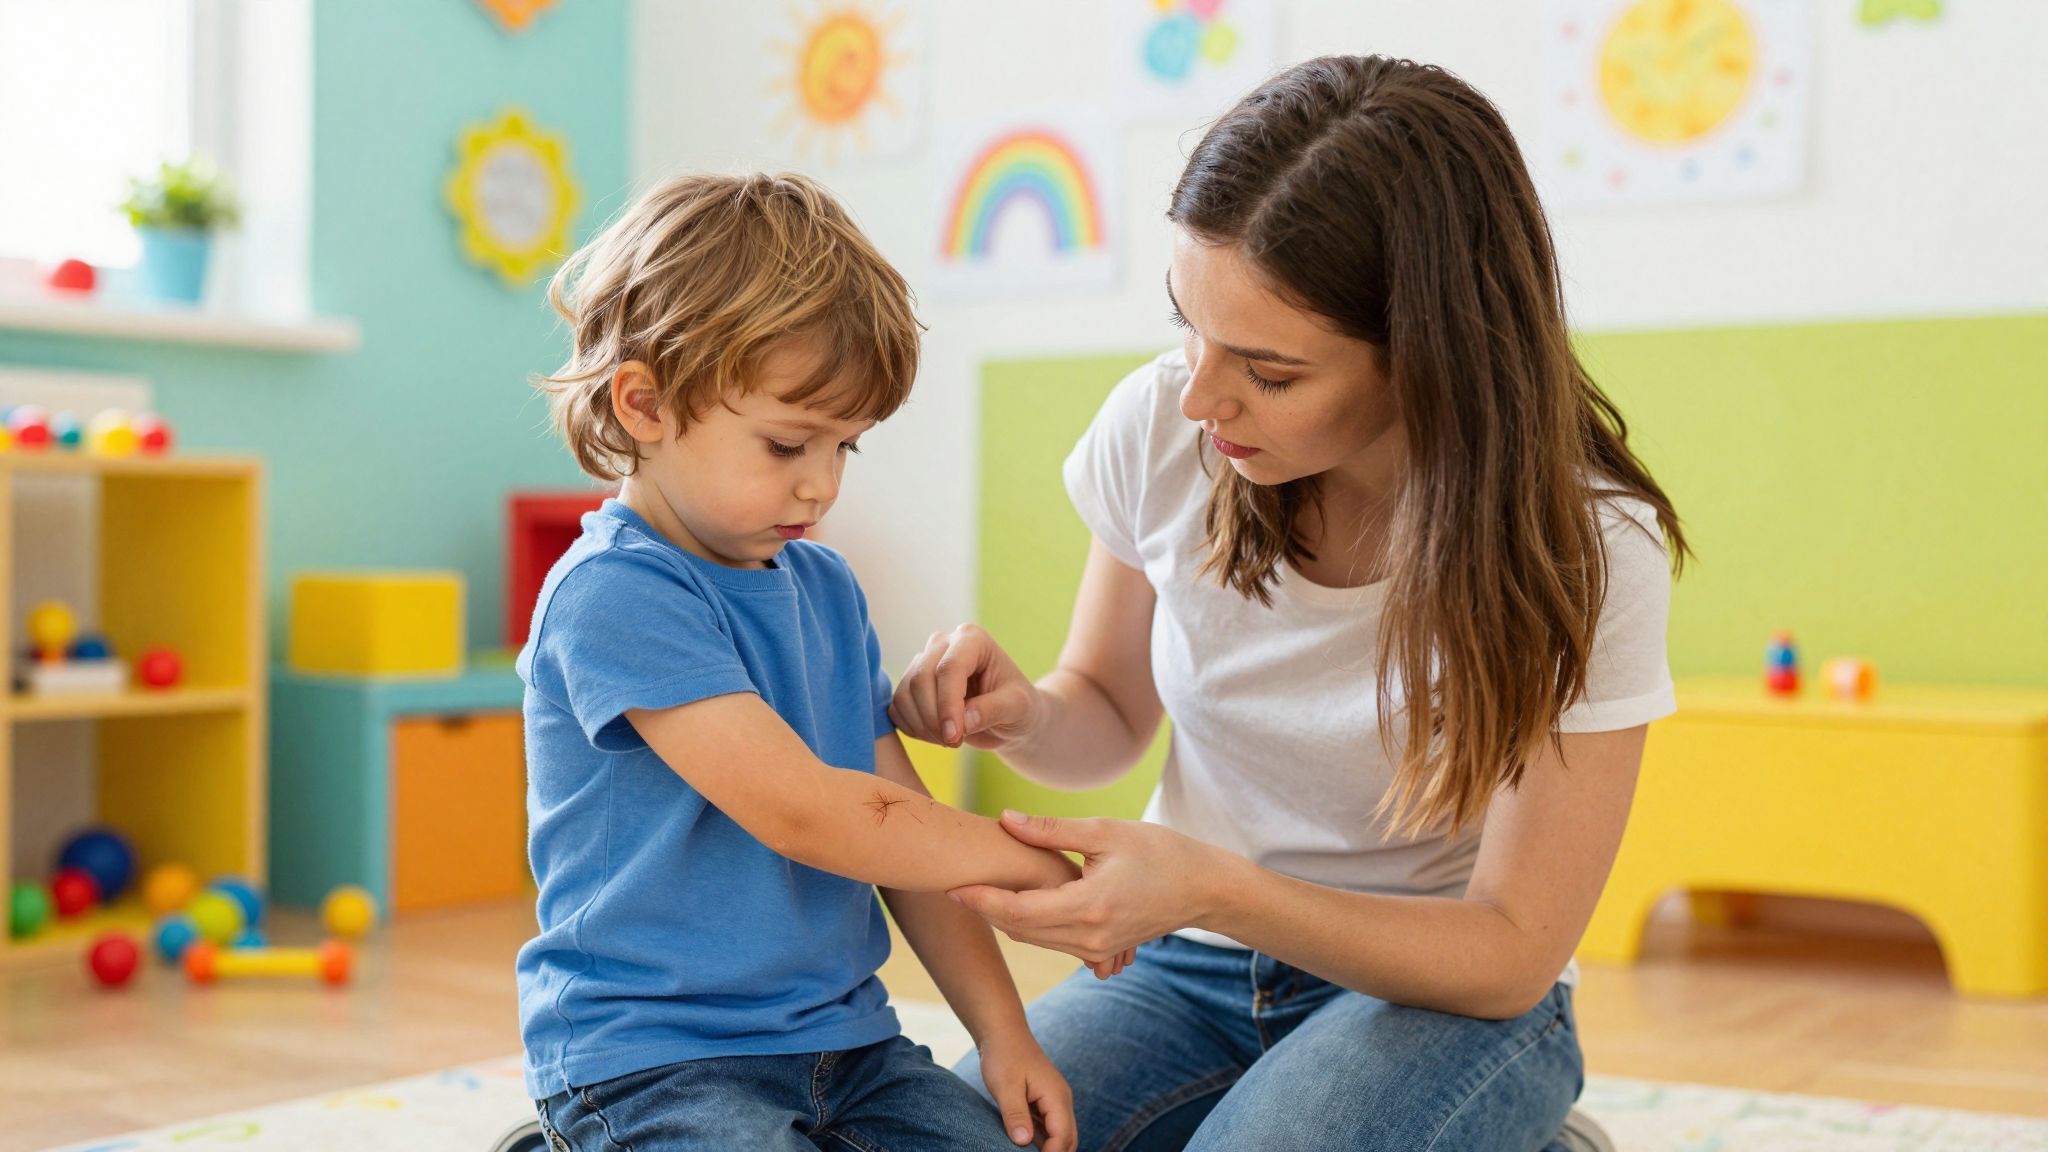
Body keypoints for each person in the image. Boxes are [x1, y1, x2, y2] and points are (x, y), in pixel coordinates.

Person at [892, 56, 1686, 1152]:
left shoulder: (1584, 547)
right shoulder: (1162, 428)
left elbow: (1510, 950)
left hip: (1440, 995)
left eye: (1267, 372)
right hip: (1186, 968)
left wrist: (1213, 889)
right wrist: (1023, 714)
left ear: (1429, 357)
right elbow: (1107, 711)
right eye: (1187, 325)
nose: (1198, 396)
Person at [517, 172, 1078, 1152]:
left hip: (846, 1046)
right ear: (643, 404)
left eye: (844, 448)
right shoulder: (614, 594)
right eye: (786, 445)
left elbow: (899, 829)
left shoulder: (823, 587)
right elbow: (813, 814)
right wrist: (1021, 856)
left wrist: (1003, 1034)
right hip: (651, 1058)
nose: (820, 485)